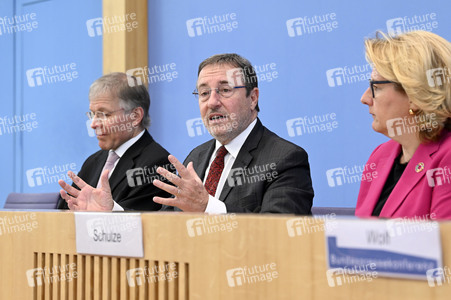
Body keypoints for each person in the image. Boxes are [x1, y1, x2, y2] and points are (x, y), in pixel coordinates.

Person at [59, 54, 314, 214]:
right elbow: (160, 224)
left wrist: (209, 207)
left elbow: (280, 233)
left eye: (224, 90)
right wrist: (112, 212)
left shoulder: (286, 158)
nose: (212, 102)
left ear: (253, 97)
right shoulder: (197, 156)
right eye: (203, 93)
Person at [355, 30, 451, 219]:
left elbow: (444, 245)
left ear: (416, 96)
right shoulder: (379, 156)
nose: (364, 98)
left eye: (376, 87)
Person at [57, 72, 173, 211]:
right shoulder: (92, 162)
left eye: (104, 114)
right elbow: (64, 213)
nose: (93, 124)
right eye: (92, 114)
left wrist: (107, 211)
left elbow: (139, 223)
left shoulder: (157, 164)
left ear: (135, 116)